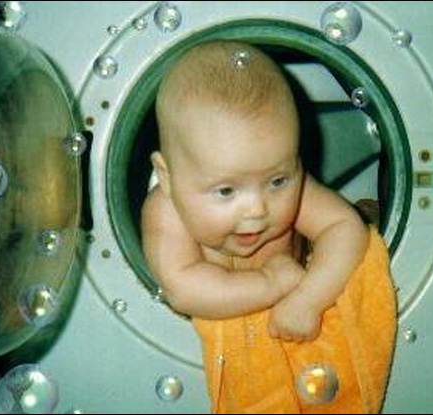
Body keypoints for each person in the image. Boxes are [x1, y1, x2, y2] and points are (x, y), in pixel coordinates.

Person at [142, 41, 396, 414]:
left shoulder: (293, 185)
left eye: (277, 181)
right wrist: (271, 284)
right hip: (230, 323)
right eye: (226, 191)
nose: (257, 210)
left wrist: (309, 297)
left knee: (359, 219)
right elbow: (182, 288)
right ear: (167, 177)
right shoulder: (165, 212)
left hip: (295, 292)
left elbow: (345, 226)